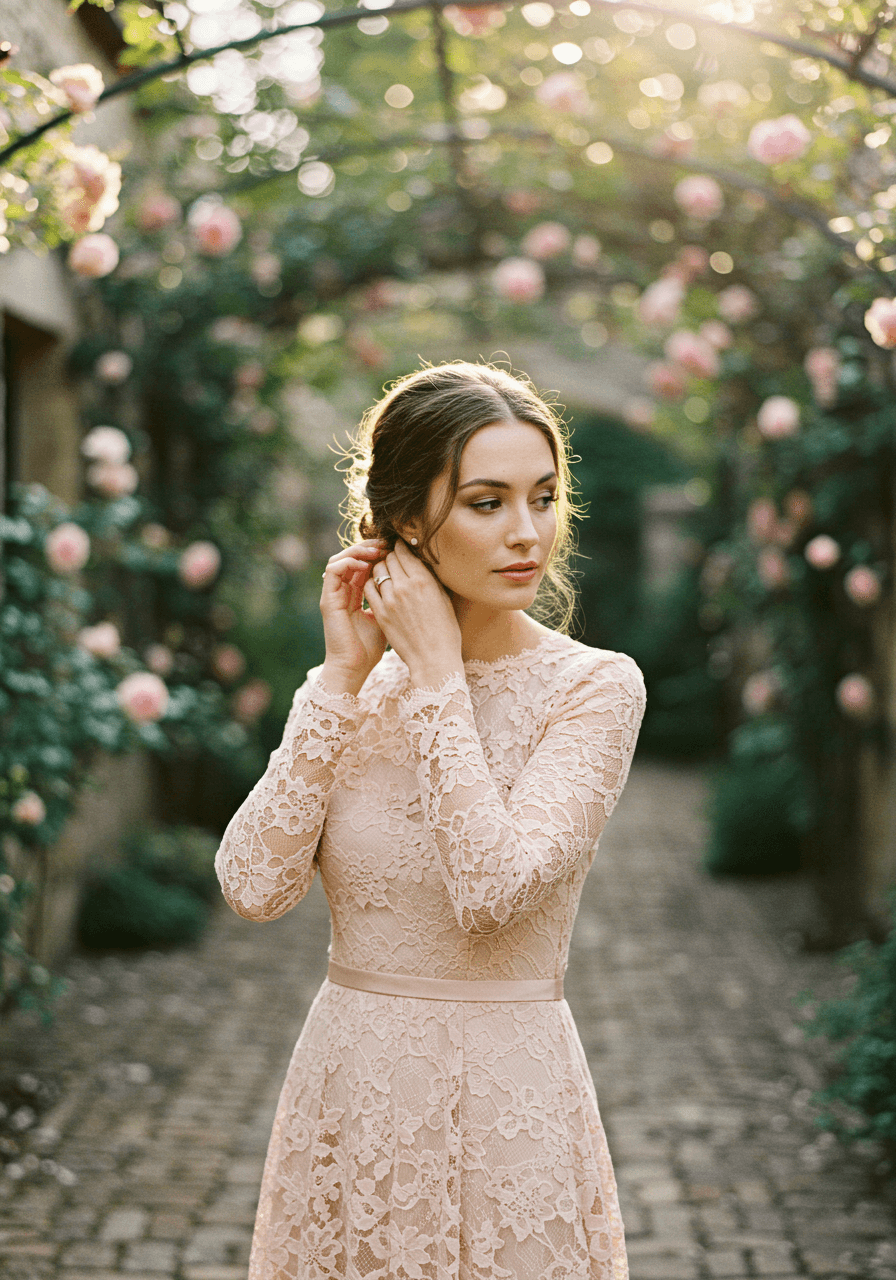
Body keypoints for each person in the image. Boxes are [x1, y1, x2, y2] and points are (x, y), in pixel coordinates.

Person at [214, 361, 646, 1279]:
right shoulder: (350, 690)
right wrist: (338, 678)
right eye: (487, 502)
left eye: (542, 497)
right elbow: (251, 888)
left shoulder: (595, 690)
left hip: (510, 1101)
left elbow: (494, 895)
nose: (527, 532)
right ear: (409, 519)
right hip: (352, 1093)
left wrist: (439, 680)